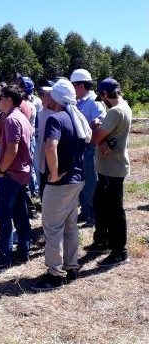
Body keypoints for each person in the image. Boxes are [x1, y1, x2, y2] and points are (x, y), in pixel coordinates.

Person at [32, 79, 91, 290]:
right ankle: (72, 266)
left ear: (57, 98)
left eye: (49, 94)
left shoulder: (55, 119)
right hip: (77, 179)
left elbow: (50, 146)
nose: (45, 97)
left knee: (52, 227)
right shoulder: (77, 118)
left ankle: (55, 273)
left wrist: (54, 174)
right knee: (69, 225)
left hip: (61, 183)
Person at [0, 85, 33, 272]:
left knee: (4, 216)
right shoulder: (22, 118)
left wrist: (1, 170)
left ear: (9, 99)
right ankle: (23, 251)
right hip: (21, 174)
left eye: (1, 96)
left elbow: (12, 149)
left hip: (10, 174)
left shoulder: (11, 120)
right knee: (21, 214)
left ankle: (4, 258)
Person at [86, 78, 132, 267]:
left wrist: (96, 126)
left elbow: (95, 137)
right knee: (100, 203)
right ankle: (103, 241)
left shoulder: (115, 111)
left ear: (105, 94)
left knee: (114, 210)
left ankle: (119, 251)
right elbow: (103, 137)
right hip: (110, 167)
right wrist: (101, 134)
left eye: (102, 96)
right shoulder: (124, 106)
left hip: (113, 168)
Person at [70, 69, 107, 227]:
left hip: (90, 147)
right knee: (81, 183)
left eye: (74, 85)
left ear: (81, 86)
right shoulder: (78, 102)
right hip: (79, 148)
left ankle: (94, 214)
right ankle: (85, 211)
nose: (72, 89)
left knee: (91, 183)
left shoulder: (94, 102)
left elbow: (101, 124)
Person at [33, 81, 57, 197]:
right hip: (42, 157)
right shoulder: (42, 113)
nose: (40, 97)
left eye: (42, 94)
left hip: (53, 160)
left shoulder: (57, 115)